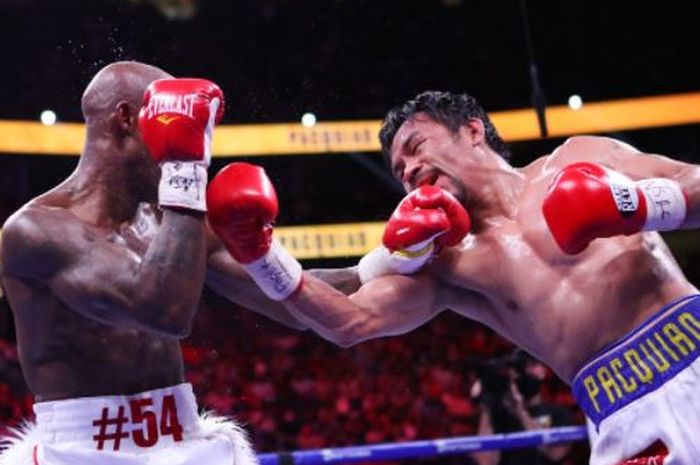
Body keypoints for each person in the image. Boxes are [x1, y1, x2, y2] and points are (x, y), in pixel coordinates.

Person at [205, 90, 700, 465]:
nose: (411, 169)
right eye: (400, 170)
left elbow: (691, 182)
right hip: (627, 413)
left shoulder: (580, 157)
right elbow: (348, 322)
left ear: (473, 130)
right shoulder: (445, 262)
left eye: (417, 147)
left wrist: (635, 204)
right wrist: (260, 253)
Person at [0, 61, 305, 465]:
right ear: (126, 118)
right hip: (78, 452)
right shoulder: (35, 230)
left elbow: (293, 300)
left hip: (186, 441)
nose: (184, 142)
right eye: (169, 124)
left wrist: (401, 261)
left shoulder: (167, 219)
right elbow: (162, 311)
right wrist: (186, 170)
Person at [470, 352, 574, 465]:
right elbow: (485, 462)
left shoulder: (558, 413)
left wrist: (520, 410)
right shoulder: (497, 417)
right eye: (515, 371)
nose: (519, 375)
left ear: (541, 371)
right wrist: (488, 406)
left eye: (528, 366)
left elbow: (556, 453)